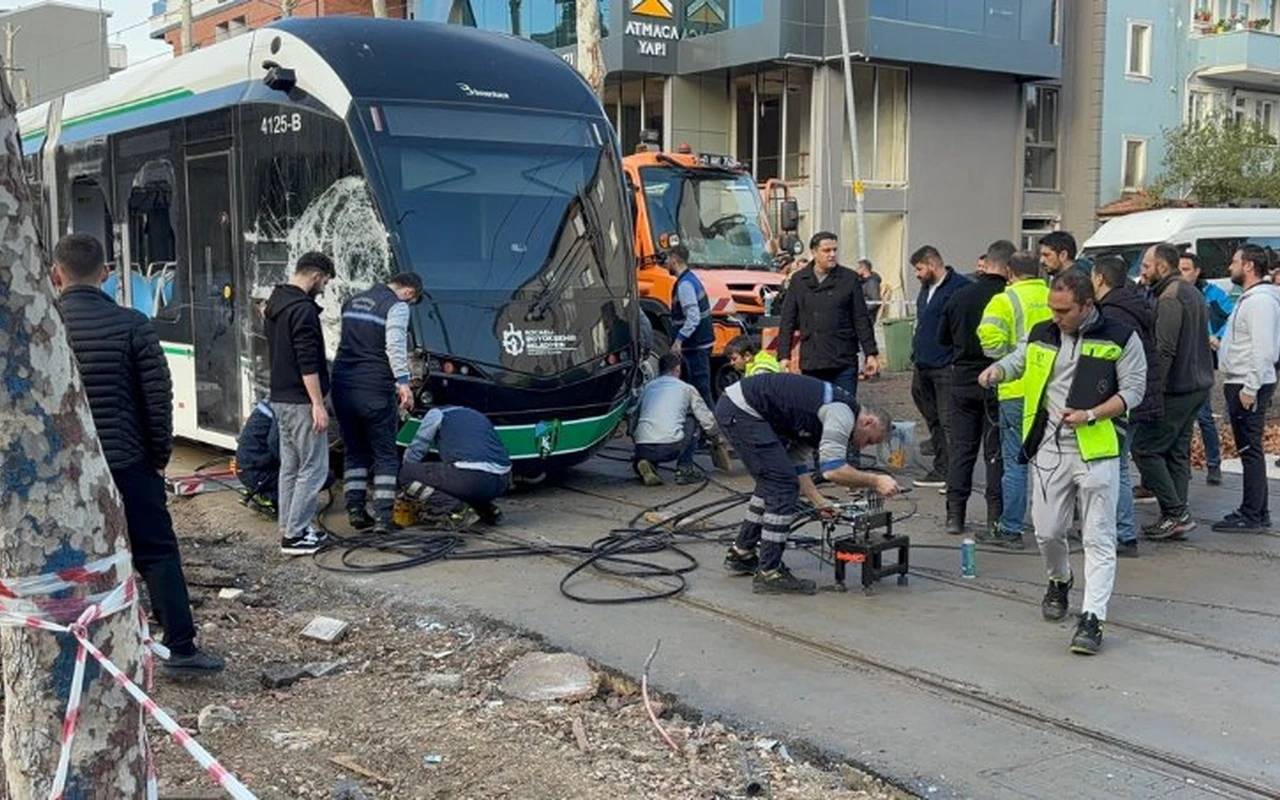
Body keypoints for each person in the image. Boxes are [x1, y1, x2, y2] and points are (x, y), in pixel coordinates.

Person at [53, 233, 224, 676]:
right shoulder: (132, 324)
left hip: (63, 469)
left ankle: (72, 651)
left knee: (69, 558)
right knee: (156, 551)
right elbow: (157, 398)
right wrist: (158, 455)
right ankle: (181, 646)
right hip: (129, 461)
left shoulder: (43, 328)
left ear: (55, 274)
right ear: (105, 275)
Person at [979, 270, 1147, 655]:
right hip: (1049, 449)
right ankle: (1059, 580)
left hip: (1097, 448)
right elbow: (1020, 360)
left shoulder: (1120, 337)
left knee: (1098, 537)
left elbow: (1134, 390)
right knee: (1048, 531)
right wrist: (997, 370)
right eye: (1053, 309)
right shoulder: (1043, 331)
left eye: (1064, 310)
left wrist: (1092, 415)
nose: (1056, 316)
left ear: (1088, 304)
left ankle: (1093, 618)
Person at [716, 373, 900, 594]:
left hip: (741, 407)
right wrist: (876, 480)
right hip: (743, 410)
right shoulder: (841, 414)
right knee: (781, 487)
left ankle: (742, 553)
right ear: (867, 422)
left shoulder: (826, 416)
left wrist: (819, 501)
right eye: (870, 440)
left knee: (773, 481)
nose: (862, 447)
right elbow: (833, 470)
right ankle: (769, 573)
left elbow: (796, 463)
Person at [331, 272, 424, 535]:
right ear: (409, 293)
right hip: (374, 387)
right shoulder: (397, 306)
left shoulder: (352, 301)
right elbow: (393, 346)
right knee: (384, 454)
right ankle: (384, 518)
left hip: (343, 385)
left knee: (354, 450)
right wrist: (403, 383)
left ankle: (355, 511)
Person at [1133, 244, 1214, 541]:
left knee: (1144, 448)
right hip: (1197, 385)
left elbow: (1164, 349)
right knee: (1176, 452)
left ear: (1162, 267)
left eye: (1145, 266)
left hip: (1177, 389)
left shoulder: (1170, 298)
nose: (1142, 272)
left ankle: (1176, 511)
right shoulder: (1190, 291)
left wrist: (1153, 388)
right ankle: (1176, 516)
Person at [977, 247, 1051, 545]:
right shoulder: (1053, 296)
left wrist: (1010, 360)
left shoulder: (1004, 300)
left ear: (1010, 272)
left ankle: (1011, 527)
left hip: (1015, 390)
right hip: (1049, 390)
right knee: (1051, 461)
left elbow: (989, 343)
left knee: (1015, 462)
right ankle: (1052, 524)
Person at [937, 240, 1010, 536]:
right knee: (995, 453)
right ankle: (996, 517)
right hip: (1000, 380)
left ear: (987, 263)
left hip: (963, 380)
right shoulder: (1008, 297)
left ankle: (955, 515)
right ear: (1008, 267)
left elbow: (942, 337)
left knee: (962, 450)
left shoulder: (959, 295)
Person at [265, 251, 336, 555]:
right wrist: (318, 404)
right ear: (317, 275)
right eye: (325, 281)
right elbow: (307, 361)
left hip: (280, 397)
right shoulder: (303, 311)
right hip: (301, 401)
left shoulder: (274, 304)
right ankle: (294, 535)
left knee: (290, 467)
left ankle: (290, 527)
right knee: (314, 468)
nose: (324, 287)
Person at [1092, 256, 1162, 558]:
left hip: (1124, 400)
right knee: (1118, 464)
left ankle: (1124, 533)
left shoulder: (1112, 313)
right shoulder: (1135, 304)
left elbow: (1109, 361)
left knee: (1116, 466)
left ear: (1099, 279)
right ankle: (1122, 530)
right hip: (1140, 397)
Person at [1212, 245, 1280, 533]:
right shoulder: (1251, 299)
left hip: (1247, 382)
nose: (1230, 267)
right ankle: (1255, 510)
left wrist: (1250, 388)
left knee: (1249, 450)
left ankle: (1252, 514)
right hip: (1242, 379)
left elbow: (1264, 349)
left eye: (1235, 262)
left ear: (1249, 265)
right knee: (1248, 449)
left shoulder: (1259, 302)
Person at [776, 232, 881, 397]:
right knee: (815, 411)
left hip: (843, 359)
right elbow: (787, 320)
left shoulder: (849, 278)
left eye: (834, 250)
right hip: (813, 360)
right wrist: (784, 355)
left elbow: (861, 318)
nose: (832, 255)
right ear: (814, 252)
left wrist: (871, 353)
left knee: (844, 409)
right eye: (826, 250)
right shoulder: (799, 280)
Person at [909, 245, 970, 488]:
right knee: (932, 418)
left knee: (948, 421)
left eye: (919, 268)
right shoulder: (925, 290)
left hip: (946, 366)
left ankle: (954, 475)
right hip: (923, 364)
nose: (917, 274)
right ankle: (941, 467)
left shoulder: (960, 288)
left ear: (932, 264)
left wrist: (955, 358)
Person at [399, 405, 511, 528]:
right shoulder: (476, 415)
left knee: (406, 474)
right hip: (503, 480)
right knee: (452, 477)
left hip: (472, 479)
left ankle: (455, 509)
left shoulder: (437, 414)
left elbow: (418, 448)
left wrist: (409, 485)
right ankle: (486, 509)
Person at [1178, 252, 1234, 486]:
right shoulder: (1174, 293)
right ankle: (1183, 466)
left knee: (1204, 415)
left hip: (1202, 361)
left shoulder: (1213, 294)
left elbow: (1233, 317)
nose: (1182, 274)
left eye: (1186, 269)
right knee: (1181, 419)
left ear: (1197, 271)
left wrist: (1217, 337)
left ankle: (1213, 465)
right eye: (1178, 269)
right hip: (1181, 361)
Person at [632, 354, 730, 486]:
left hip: (642, 447)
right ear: (678, 369)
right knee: (693, 419)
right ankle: (684, 469)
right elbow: (707, 420)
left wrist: (635, 438)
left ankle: (646, 462)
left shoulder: (648, 387)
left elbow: (634, 416)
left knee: (650, 420)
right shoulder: (686, 388)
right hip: (670, 448)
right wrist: (716, 438)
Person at [666, 244, 715, 406]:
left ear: (674, 260)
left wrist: (679, 340)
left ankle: (713, 427)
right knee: (694, 389)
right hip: (700, 344)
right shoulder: (690, 279)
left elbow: (693, 318)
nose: (666, 262)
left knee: (700, 391)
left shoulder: (685, 285)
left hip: (695, 346)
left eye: (667, 259)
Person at [236, 399, 281, 516]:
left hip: (246, 467)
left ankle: (259, 490)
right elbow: (274, 444)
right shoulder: (281, 407)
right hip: (256, 472)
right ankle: (268, 496)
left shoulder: (269, 403)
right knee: (322, 477)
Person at [854, 258, 884, 322]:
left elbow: (875, 301)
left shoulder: (871, 282)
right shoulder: (862, 281)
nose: (856, 270)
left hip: (868, 316)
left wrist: (862, 309)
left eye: (858, 268)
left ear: (863, 268)